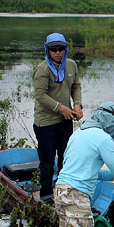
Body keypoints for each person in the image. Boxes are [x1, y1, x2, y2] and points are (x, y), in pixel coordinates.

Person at [33, 32, 83, 202]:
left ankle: (64, 191)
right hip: (46, 123)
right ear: (47, 50)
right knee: (47, 163)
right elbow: (40, 95)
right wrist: (61, 108)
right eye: (53, 49)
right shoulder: (42, 70)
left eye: (61, 49)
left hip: (65, 121)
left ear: (65, 49)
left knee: (66, 159)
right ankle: (46, 195)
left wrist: (77, 104)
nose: (57, 52)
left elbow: (76, 86)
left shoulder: (72, 66)